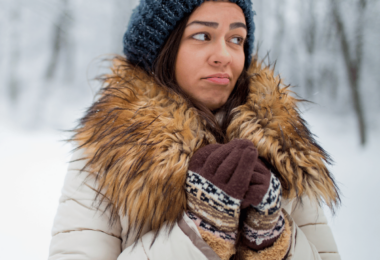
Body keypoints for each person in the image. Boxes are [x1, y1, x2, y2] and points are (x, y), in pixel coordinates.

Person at [48, 0, 341, 259]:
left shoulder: (282, 149)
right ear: (163, 48)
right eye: (203, 36)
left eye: (236, 38)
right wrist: (199, 233)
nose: (224, 55)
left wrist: (275, 239)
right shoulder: (109, 150)